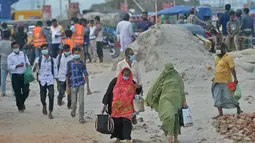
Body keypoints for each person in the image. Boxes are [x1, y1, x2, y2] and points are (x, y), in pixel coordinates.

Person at [145, 62, 187, 143]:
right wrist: (153, 99)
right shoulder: (163, 77)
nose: (170, 70)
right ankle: (169, 136)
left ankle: (176, 138)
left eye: (171, 68)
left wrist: (184, 101)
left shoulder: (177, 76)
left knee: (176, 119)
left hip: (177, 101)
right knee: (170, 117)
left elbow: (182, 89)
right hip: (166, 100)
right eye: (169, 68)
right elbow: (156, 87)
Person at [102, 67, 142, 143]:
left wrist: (139, 87)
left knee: (127, 122)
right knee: (117, 123)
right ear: (121, 74)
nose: (126, 76)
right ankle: (118, 138)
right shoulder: (115, 81)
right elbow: (108, 92)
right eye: (125, 74)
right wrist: (105, 104)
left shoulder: (131, 82)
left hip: (127, 108)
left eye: (127, 75)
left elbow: (138, 91)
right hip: (116, 108)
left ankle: (128, 139)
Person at [212, 43, 242, 119]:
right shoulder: (217, 58)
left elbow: (232, 68)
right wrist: (214, 77)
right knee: (217, 97)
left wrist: (235, 78)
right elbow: (217, 68)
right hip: (216, 81)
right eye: (217, 49)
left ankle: (238, 107)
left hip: (226, 81)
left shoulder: (228, 57)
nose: (218, 51)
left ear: (224, 49)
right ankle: (220, 114)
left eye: (219, 49)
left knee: (229, 97)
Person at [66, 47, 92, 124]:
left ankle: (81, 117)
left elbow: (86, 74)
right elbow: (67, 75)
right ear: (73, 54)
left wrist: (88, 87)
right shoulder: (69, 63)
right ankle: (73, 110)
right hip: (73, 84)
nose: (77, 55)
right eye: (75, 53)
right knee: (73, 101)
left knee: (81, 101)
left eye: (78, 53)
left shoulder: (82, 63)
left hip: (81, 83)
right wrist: (67, 86)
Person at [34, 44, 57, 119]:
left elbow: (55, 70)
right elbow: (34, 70)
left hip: (50, 79)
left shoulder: (53, 60)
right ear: (41, 51)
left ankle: (50, 111)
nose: (45, 50)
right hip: (42, 79)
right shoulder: (38, 59)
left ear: (48, 49)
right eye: (43, 48)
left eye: (46, 48)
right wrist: (35, 67)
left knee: (51, 95)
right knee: (42, 95)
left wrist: (56, 79)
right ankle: (44, 105)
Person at [7, 41, 30, 112]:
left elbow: (28, 63)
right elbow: (9, 67)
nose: (15, 48)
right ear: (12, 48)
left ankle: (21, 102)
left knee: (26, 91)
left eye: (16, 47)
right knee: (17, 92)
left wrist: (26, 64)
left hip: (24, 75)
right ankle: (20, 106)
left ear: (19, 46)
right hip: (15, 75)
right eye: (14, 47)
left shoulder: (23, 54)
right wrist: (17, 66)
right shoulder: (10, 56)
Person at [56, 44, 73, 109]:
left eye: (68, 50)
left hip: (69, 77)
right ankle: (59, 98)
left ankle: (69, 104)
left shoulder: (72, 57)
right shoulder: (59, 57)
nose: (67, 51)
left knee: (69, 92)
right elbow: (56, 66)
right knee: (61, 91)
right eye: (66, 50)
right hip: (61, 77)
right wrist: (56, 76)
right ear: (63, 50)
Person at [0, 31, 13, 97]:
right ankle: (13, 92)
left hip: (3, 62)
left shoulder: (0, 43)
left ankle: (3, 92)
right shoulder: (11, 43)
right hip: (11, 62)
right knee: (12, 78)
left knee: (3, 78)